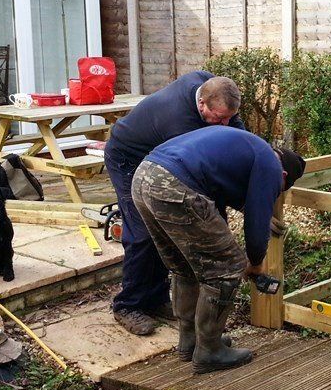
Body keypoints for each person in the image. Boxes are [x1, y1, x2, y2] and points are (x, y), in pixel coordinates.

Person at [131, 127, 306, 373]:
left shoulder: (246, 148)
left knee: (185, 266)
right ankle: (210, 349)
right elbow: (255, 229)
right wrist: (255, 263)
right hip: (174, 185)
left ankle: (191, 341)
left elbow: (214, 211)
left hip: (144, 178)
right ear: (284, 174)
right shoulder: (271, 165)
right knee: (227, 268)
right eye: (280, 188)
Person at [105, 71, 245, 335]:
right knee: (144, 232)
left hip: (159, 157)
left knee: (165, 231)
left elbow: (236, 137)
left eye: (230, 117)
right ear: (201, 104)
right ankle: (127, 305)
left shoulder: (215, 90)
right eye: (219, 118)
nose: (225, 124)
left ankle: (156, 299)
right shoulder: (179, 122)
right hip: (128, 157)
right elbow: (198, 180)